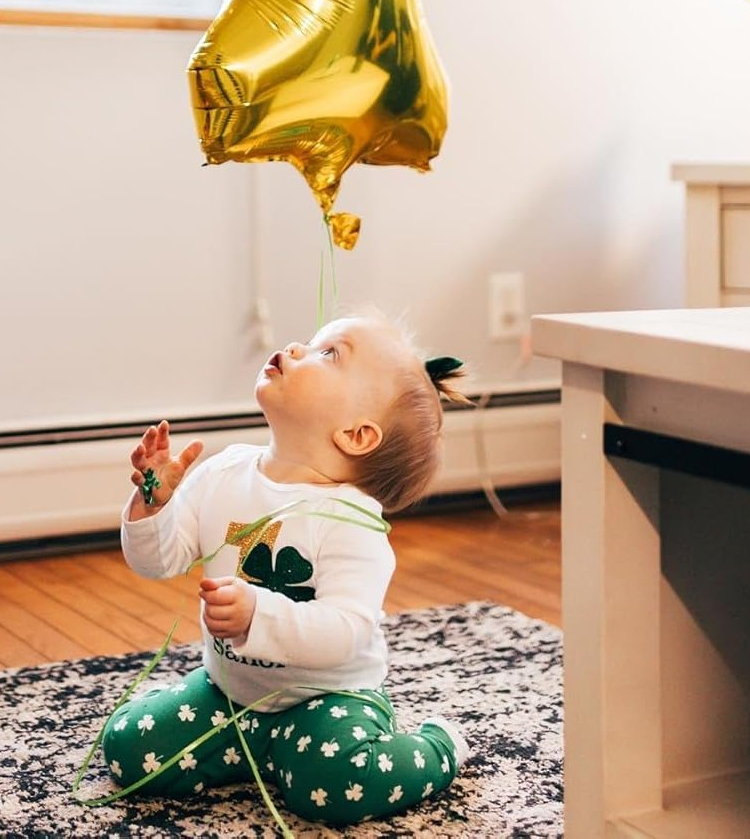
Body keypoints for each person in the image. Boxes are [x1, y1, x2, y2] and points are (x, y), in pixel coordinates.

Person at [99, 311, 473, 825]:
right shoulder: (224, 472)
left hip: (324, 701)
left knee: (336, 784)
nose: (297, 347)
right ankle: (261, 752)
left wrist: (258, 615)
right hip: (229, 693)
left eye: (329, 353)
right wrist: (152, 505)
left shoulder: (352, 522)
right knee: (128, 748)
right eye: (313, 341)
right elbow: (157, 561)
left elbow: (346, 632)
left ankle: (439, 746)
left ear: (355, 434)